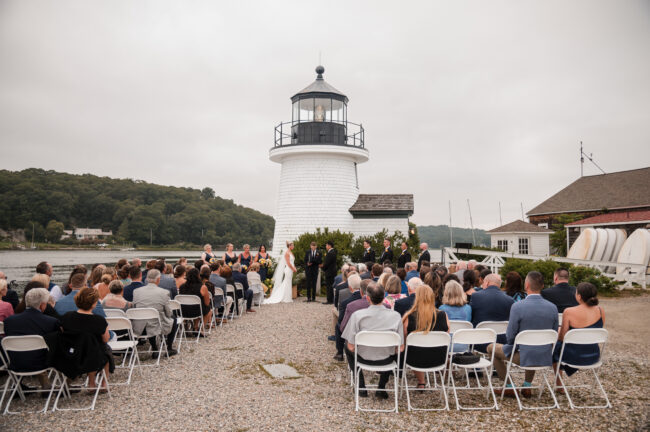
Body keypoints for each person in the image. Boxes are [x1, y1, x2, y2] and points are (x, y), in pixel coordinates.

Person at [487, 271, 558, 395]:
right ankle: (527, 385)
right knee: (534, 344)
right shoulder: (553, 307)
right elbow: (554, 332)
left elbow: (510, 336)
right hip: (545, 355)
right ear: (542, 286)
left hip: (524, 356)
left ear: (526, 286)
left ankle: (509, 386)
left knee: (491, 348)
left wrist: (513, 345)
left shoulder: (518, 307)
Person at [342, 282, 404, 398]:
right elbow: (400, 348)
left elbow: (351, 346)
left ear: (368, 298)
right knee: (395, 350)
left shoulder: (357, 315)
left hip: (363, 358)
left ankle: (361, 386)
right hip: (386, 359)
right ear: (383, 297)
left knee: (347, 347)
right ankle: (381, 387)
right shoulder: (395, 316)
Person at [3, 288, 60, 390]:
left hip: (15, 363)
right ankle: (52, 386)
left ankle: (20, 386)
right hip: (42, 364)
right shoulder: (50, 321)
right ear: (42, 305)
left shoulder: (9, 321)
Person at [60, 287, 113, 391]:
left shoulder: (67, 317)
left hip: (71, 355)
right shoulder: (98, 320)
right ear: (94, 303)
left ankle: (91, 383)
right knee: (105, 350)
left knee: (91, 349)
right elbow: (105, 339)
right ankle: (103, 384)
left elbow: (62, 333)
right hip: (92, 357)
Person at [553, 282, 605, 385]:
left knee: (555, 348)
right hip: (593, 356)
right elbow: (597, 331)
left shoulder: (569, 311)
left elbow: (562, 338)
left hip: (574, 356)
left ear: (579, 296)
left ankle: (559, 384)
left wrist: (559, 331)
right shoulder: (600, 310)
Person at [402, 284, 450, 388]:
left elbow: (404, 338)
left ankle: (421, 381)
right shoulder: (443, 315)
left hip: (415, 359)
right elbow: (447, 335)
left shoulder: (409, 317)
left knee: (411, 348)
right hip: (439, 358)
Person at [333, 274, 363, 361]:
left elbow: (342, 321)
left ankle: (340, 352)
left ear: (350, 287)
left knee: (338, 326)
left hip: (351, 331)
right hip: (366, 329)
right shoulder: (368, 300)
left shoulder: (345, 303)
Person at [439, 280, 472, 353]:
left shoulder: (442, 309)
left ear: (446, 293)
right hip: (464, 346)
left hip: (445, 346)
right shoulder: (468, 308)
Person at [178, 268, 212, 332]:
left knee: (196, 306)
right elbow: (207, 303)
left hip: (183, 311)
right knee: (208, 310)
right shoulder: (202, 287)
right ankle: (201, 329)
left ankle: (195, 326)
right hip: (197, 311)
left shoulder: (182, 286)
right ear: (198, 276)